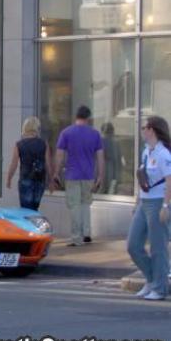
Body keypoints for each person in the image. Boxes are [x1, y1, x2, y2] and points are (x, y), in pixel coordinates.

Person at [127, 116, 171, 300]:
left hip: (158, 202)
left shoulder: (163, 154)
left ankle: (159, 288)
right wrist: (137, 200)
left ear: (152, 130)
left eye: (144, 127)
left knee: (157, 247)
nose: (142, 130)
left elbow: (170, 181)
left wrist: (166, 206)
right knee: (133, 245)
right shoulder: (147, 151)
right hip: (144, 202)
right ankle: (153, 279)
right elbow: (144, 177)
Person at [52, 105, 104, 246]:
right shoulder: (95, 134)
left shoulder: (66, 133)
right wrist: (100, 176)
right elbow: (100, 157)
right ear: (88, 118)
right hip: (88, 175)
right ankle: (87, 233)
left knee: (74, 205)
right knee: (86, 204)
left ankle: (76, 237)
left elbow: (60, 154)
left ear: (76, 116)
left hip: (72, 175)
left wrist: (56, 172)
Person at [6, 116, 52, 210]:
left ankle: (28, 224)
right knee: (35, 208)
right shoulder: (44, 144)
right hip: (40, 180)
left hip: (25, 179)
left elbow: (14, 164)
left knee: (26, 210)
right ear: (37, 128)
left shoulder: (19, 144)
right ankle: (34, 223)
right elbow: (48, 164)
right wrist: (51, 180)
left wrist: (9, 178)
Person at [101, 122, 123, 195]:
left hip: (106, 168)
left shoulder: (102, 141)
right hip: (111, 169)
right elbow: (119, 159)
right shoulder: (115, 142)